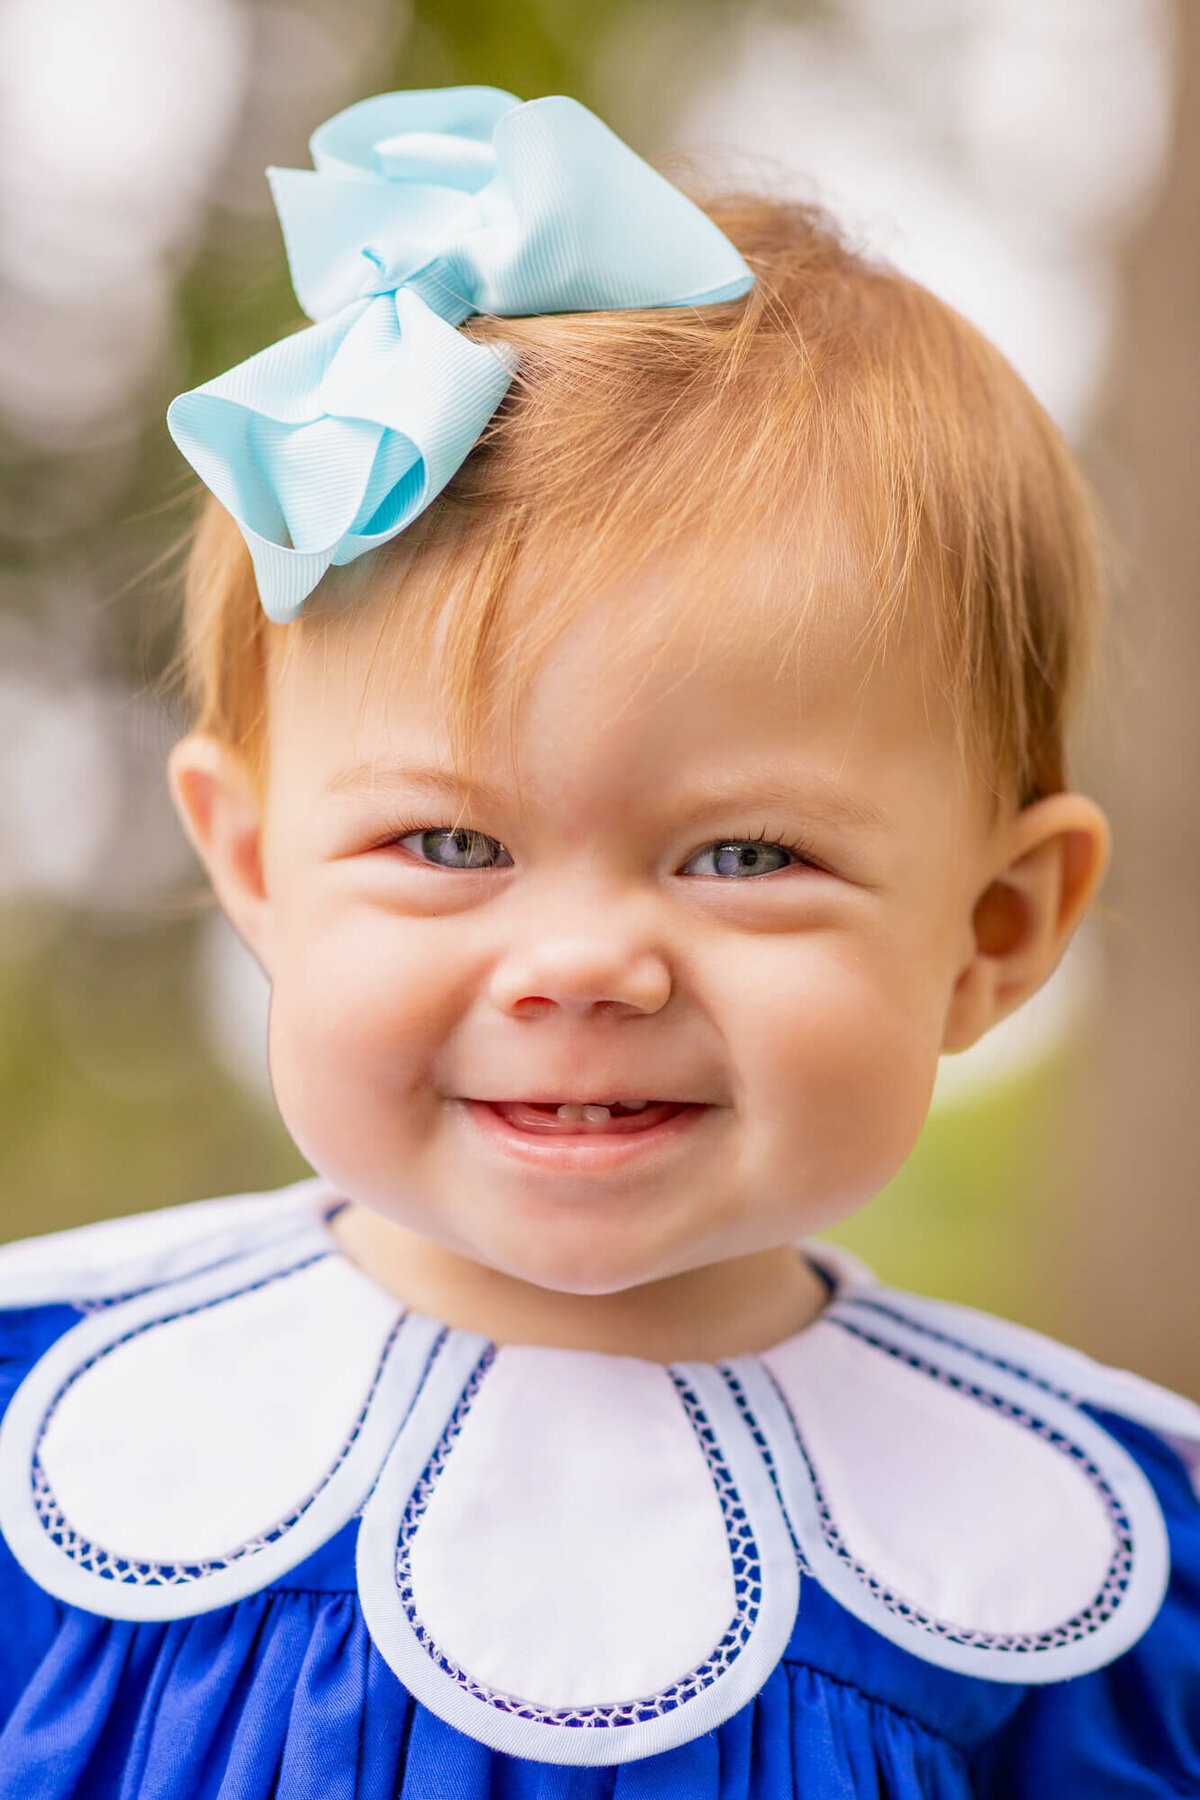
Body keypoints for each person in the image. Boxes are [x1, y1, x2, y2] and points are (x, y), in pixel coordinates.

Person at [0, 85, 1194, 1800]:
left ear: (994, 933)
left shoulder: (1082, 1577)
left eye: (744, 855)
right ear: (257, 868)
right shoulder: (64, 1456)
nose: (582, 965)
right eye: (451, 842)